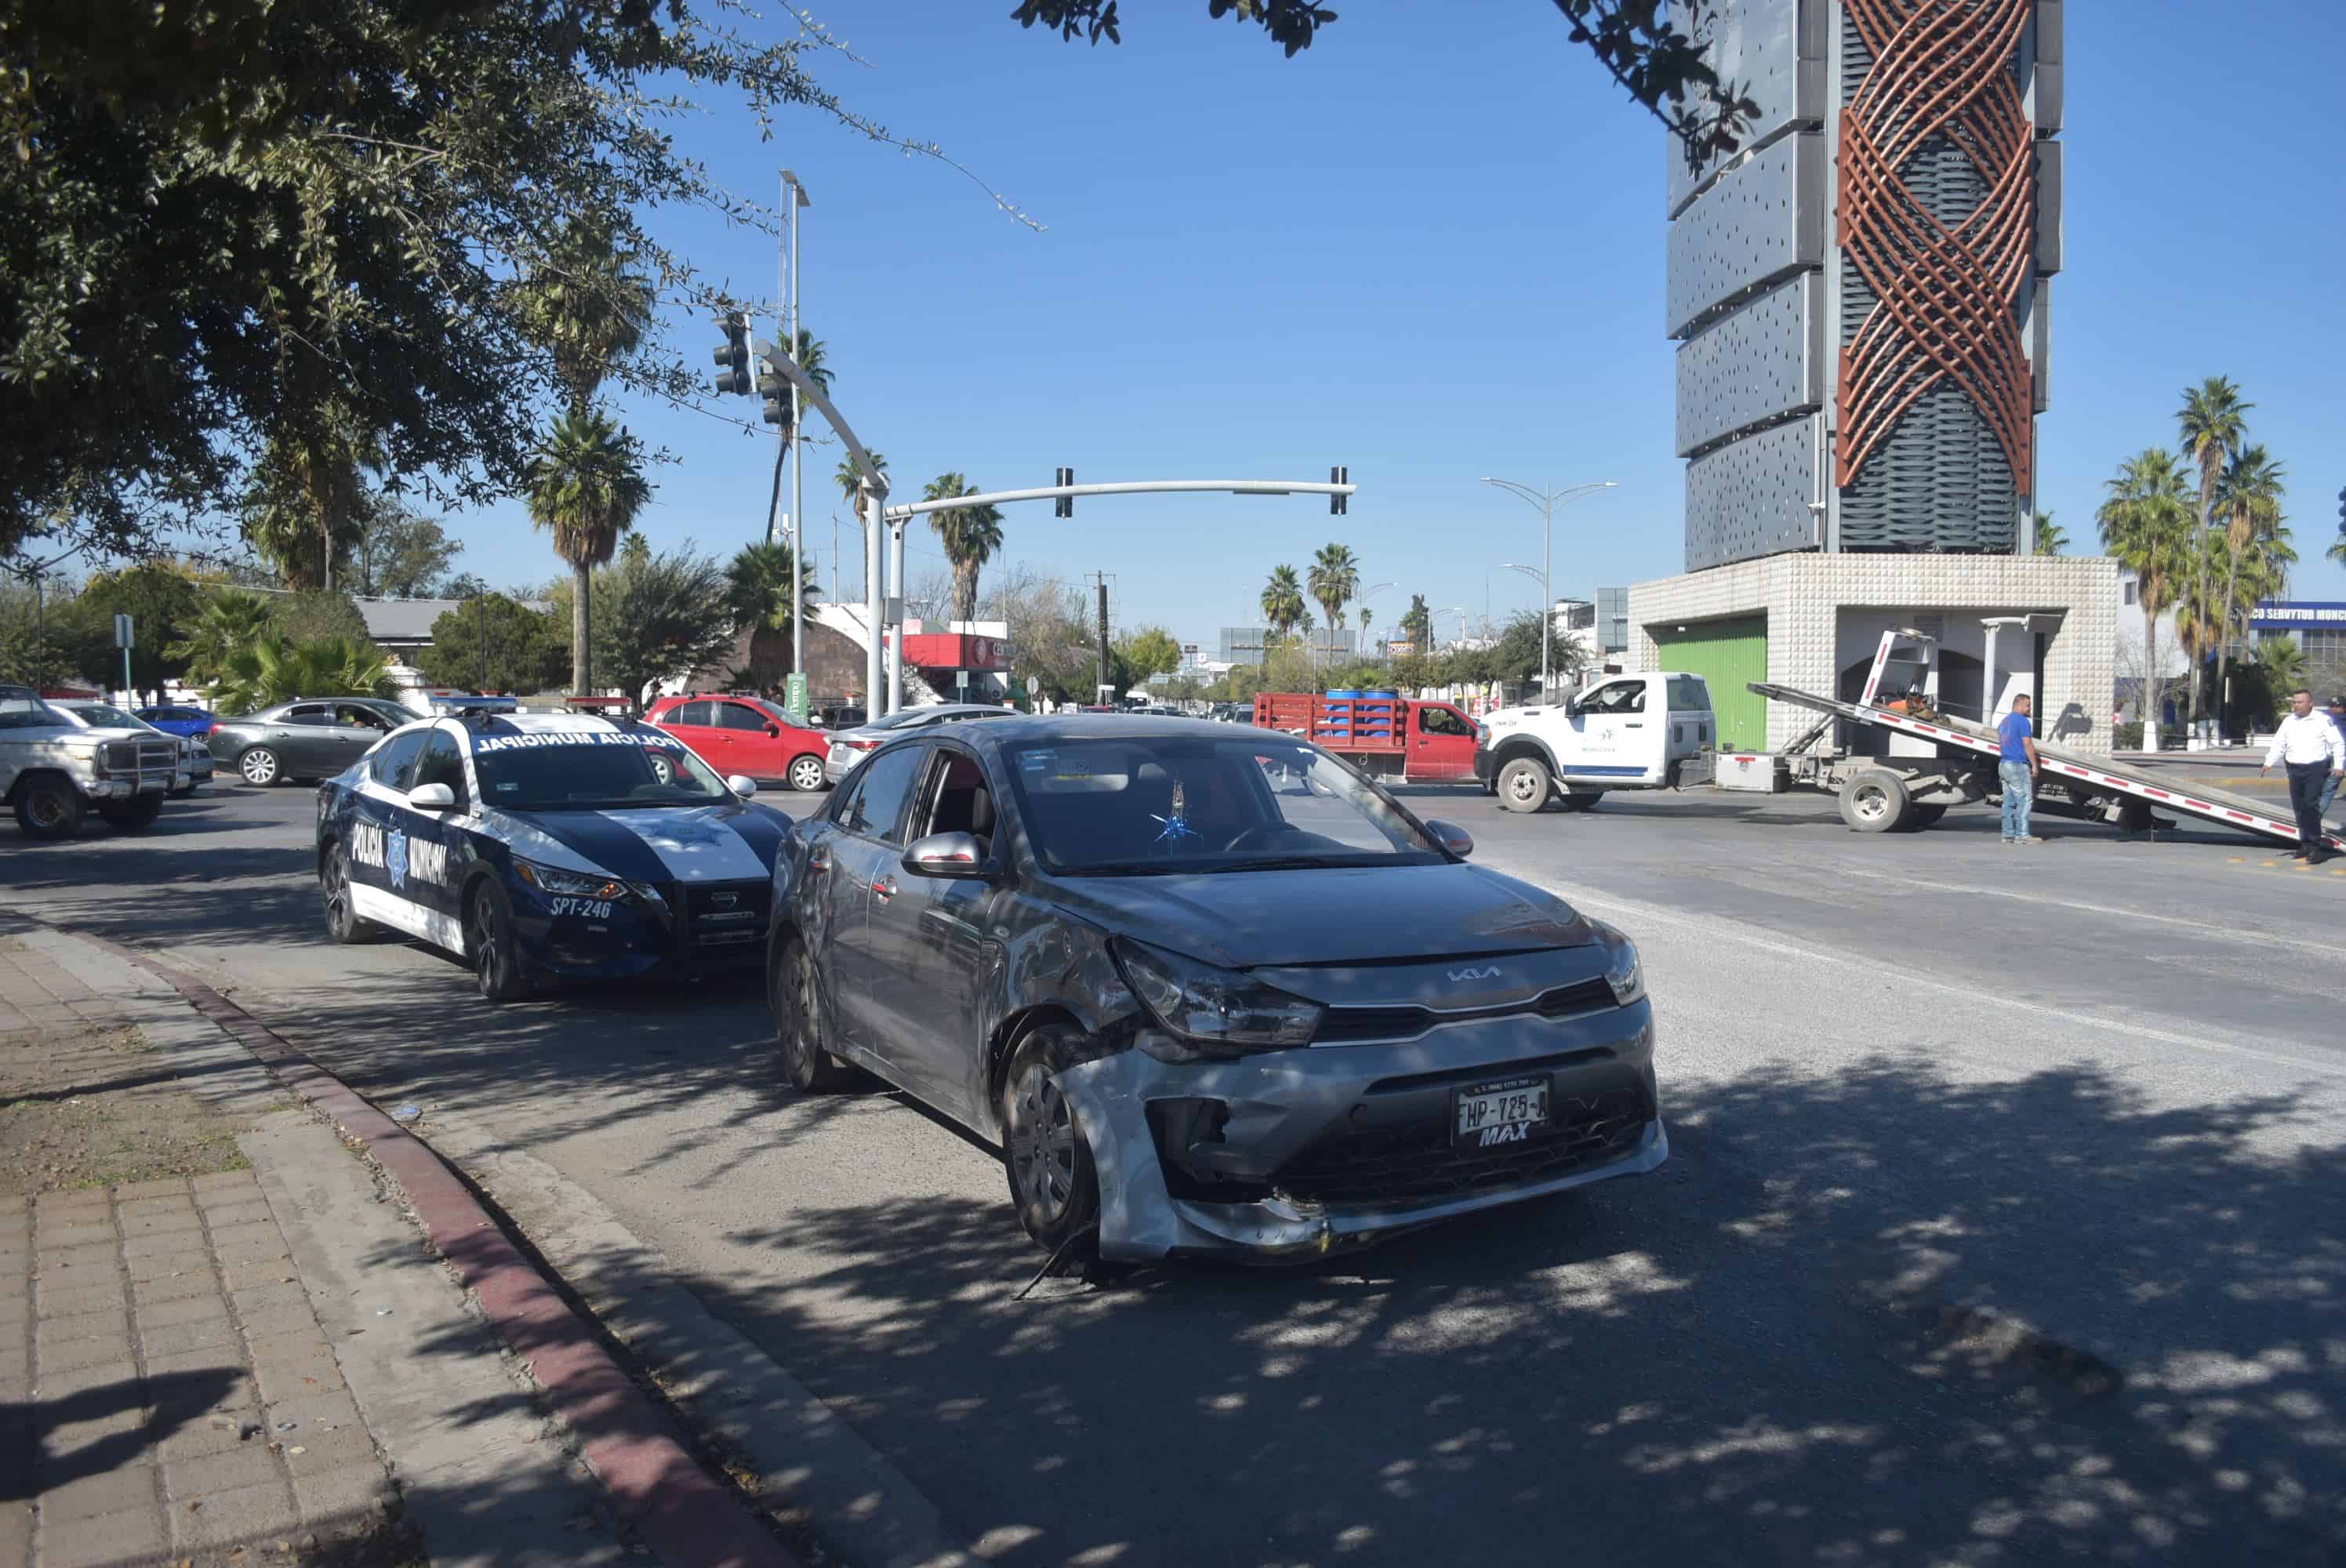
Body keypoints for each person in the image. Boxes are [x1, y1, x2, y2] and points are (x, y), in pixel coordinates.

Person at [2259, 688, 2345, 862]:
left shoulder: (2323, 720)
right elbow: (2279, 743)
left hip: (2316, 768)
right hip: (2294, 768)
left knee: (2310, 805)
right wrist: (2269, 762)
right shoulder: (2289, 721)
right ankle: (2304, 845)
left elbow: (2337, 743)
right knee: (2299, 808)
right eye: (2294, 702)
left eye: (2300, 702)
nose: (2296, 706)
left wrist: (2339, 765)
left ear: (2310, 703)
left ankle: (2315, 847)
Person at [1997, 693, 2041, 844]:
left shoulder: (2004, 722)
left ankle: (2007, 834)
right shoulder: (2022, 721)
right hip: (2017, 765)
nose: (2030, 708)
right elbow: (2027, 743)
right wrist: (2034, 764)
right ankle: (2023, 834)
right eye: (2028, 705)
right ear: (2019, 705)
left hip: (2004, 765)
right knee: (2024, 799)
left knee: (2008, 801)